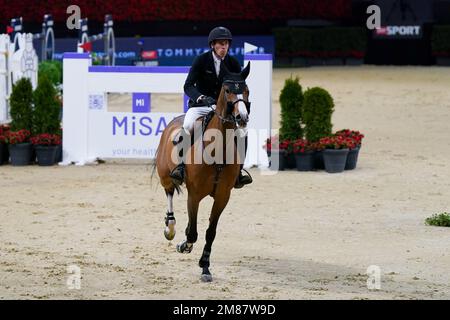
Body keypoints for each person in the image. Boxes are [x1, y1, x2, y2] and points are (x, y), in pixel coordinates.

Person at [169, 26, 252, 189]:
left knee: (242, 131)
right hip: (201, 105)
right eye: (221, 44)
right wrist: (200, 97)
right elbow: (188, 86)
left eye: (226, 44)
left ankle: (239, 172)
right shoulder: (201, 60)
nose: (224, 47)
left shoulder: (233, 63)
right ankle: (180, 167)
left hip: (224, 109)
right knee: (187, 125)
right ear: (213, 45)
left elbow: (238, 87)